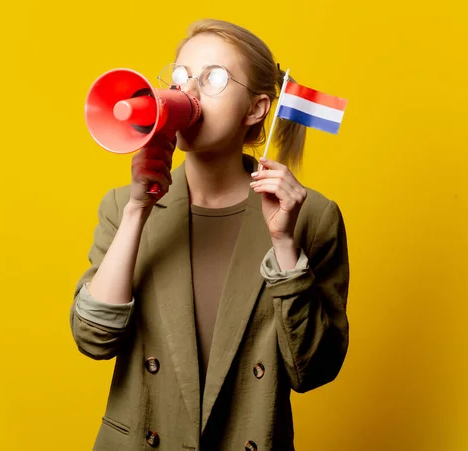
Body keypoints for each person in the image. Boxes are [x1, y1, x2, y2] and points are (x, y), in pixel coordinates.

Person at [70, 18, 350, 451]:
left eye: (213, 78)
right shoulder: (121, 207)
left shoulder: (311, 216)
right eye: (180, 77)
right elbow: (93, 339)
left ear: (256, 109)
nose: (188, 92)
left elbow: (313, 370)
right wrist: (137, 211)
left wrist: (284, 245)